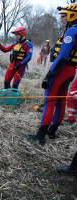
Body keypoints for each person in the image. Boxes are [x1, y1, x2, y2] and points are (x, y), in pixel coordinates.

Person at [25, 2, 77, 144]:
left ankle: (40, 136)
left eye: (63, 16)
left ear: (72, 15)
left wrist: (49, 75)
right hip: (71, 71)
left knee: (49, 102)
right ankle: (52, 132)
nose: (61, 19)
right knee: (61, 101)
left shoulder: (72, 31)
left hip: (62, 71)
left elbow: (63, 56)